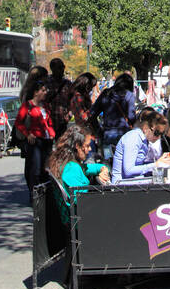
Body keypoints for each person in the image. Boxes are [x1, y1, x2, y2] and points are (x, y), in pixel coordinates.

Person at [48, 125, 110, 222]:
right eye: (87, 146)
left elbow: (90, 167)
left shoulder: (69, 163)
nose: (89, 149)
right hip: (80, 221)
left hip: (79, 217)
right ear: (77, 146)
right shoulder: (71, 168)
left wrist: (103, 169)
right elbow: (82, 201)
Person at [16, 74, 56, 202]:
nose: (45, 92)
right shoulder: (27, 106)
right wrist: (28, 134)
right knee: (35, 169)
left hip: (47, 140)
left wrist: (52, 132)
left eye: (46, 90)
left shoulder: (46, 106)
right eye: (43, 90)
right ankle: (35, 196)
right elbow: (18, 122)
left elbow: (49, 122)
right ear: (36, 92)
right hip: (35, 140)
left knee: (46, 169)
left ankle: (46, 196)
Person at [111, 107, 170, 184]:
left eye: (161, 134)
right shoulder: (134, 137)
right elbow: (128, 171)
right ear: (146, 127)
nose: (158, 137)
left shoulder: (144, 140)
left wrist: (161, 161)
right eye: (157, 133)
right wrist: (155, 165)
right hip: (121, 186)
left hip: (132, 183)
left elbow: (140, 166)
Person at [96, 72, 136, 161]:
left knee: (108, 162)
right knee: (124, 161)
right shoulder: (129, 95)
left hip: (107, 134)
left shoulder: (106, 93)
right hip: (125, 134)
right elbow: (131, 117)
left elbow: (93, 112)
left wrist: (99, 129)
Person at [44, 57, 74, 137]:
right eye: (60, 67)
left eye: (63, 67)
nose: (62, 69)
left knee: (61, 146)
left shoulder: (68, 84)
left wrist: (69, 114)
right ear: (52, 68)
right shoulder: (46, 83)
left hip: (62, 122)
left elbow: (72, 102)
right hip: (48, 122)